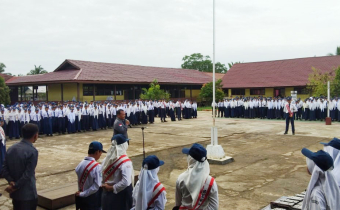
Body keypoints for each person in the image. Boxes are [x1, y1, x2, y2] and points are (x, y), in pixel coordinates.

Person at [1, 123, 39, 210]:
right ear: (35, 135)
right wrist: (15, 186)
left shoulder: (11, 148)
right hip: (28, 194)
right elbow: (28, 174)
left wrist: (11, 181)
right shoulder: (32, 151)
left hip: (15, 195)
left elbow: (4, 168)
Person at [174, 143, 218, 210]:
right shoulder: (210, 182)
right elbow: (214, 207)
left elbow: (178, 204)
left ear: (190, 159)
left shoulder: (181, 178)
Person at [101, 134, 134, 210]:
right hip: (120, 195)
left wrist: (104, 184)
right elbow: (126, 182)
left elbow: (101, 172)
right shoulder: (125, 162)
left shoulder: (106, 159)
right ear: (123, 145)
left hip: (107, 194)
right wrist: (112, 187)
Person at [75, 141, 106, 210]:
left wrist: (81, 194)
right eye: (101, 152)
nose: (101, 155)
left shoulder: (80, 164)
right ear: (97, 152)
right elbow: (96, 186)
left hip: (82, 198)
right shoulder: (97, 167)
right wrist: (83, 194)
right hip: (93, 200)